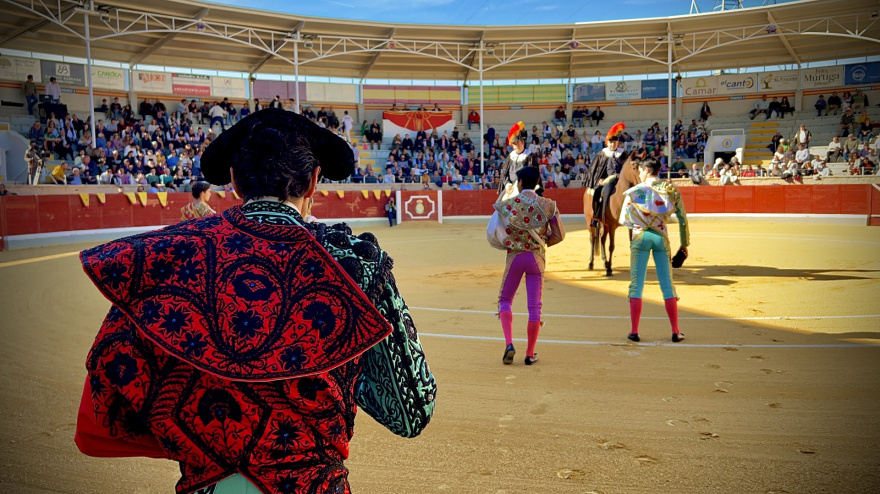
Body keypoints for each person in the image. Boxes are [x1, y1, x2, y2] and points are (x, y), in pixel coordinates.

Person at [74, 108, 436, 493]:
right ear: (313, 182)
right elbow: (410, 412)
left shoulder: (170, 255)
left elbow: (107, 405)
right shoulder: (353, 261)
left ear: (233, 180)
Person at [496, 164, 564, 365]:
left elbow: (496, 226)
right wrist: (541, 245)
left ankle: (509, 343)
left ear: (520, 182)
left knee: (505, 300)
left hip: (515, 257)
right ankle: (530, 353)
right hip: (536, 259)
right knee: (535, 307)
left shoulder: (509, 204)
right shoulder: (548, 205)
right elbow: (559, 234)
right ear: (537, 184)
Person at [620, 157, 689, 343]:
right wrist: (684, 245)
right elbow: (683, 219)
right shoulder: (670, 190)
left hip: (640, 237)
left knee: (637, 285)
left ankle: (634, 331)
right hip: (661, 238)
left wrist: (640, 223)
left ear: (645, 171)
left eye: (641, 171)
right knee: (667, 286)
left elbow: (624, 220)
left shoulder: (633, 192)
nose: (640, 174)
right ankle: (675, 331)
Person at [584, 122, 627, 224]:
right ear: (607, 143)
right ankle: (596, 215)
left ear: (618, 143)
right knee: (597, 192)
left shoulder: (623, 154)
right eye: (611, 143)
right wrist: (598, 179)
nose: (613, 145)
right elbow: (595, 169)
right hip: (605, 181)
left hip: (620, 179)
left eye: (615, 143)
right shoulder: (602, 154)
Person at [498, 121, 534, 200]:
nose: (516, 145)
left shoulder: (529, 156)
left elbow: (532, 176)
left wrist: (520, 185)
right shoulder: (510, 156)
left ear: (523, 142)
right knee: (498, 206)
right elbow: (504, 174)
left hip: (525, 190)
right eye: (514, 143)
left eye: (518, 143)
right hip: (510, 189)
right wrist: (507, 184)